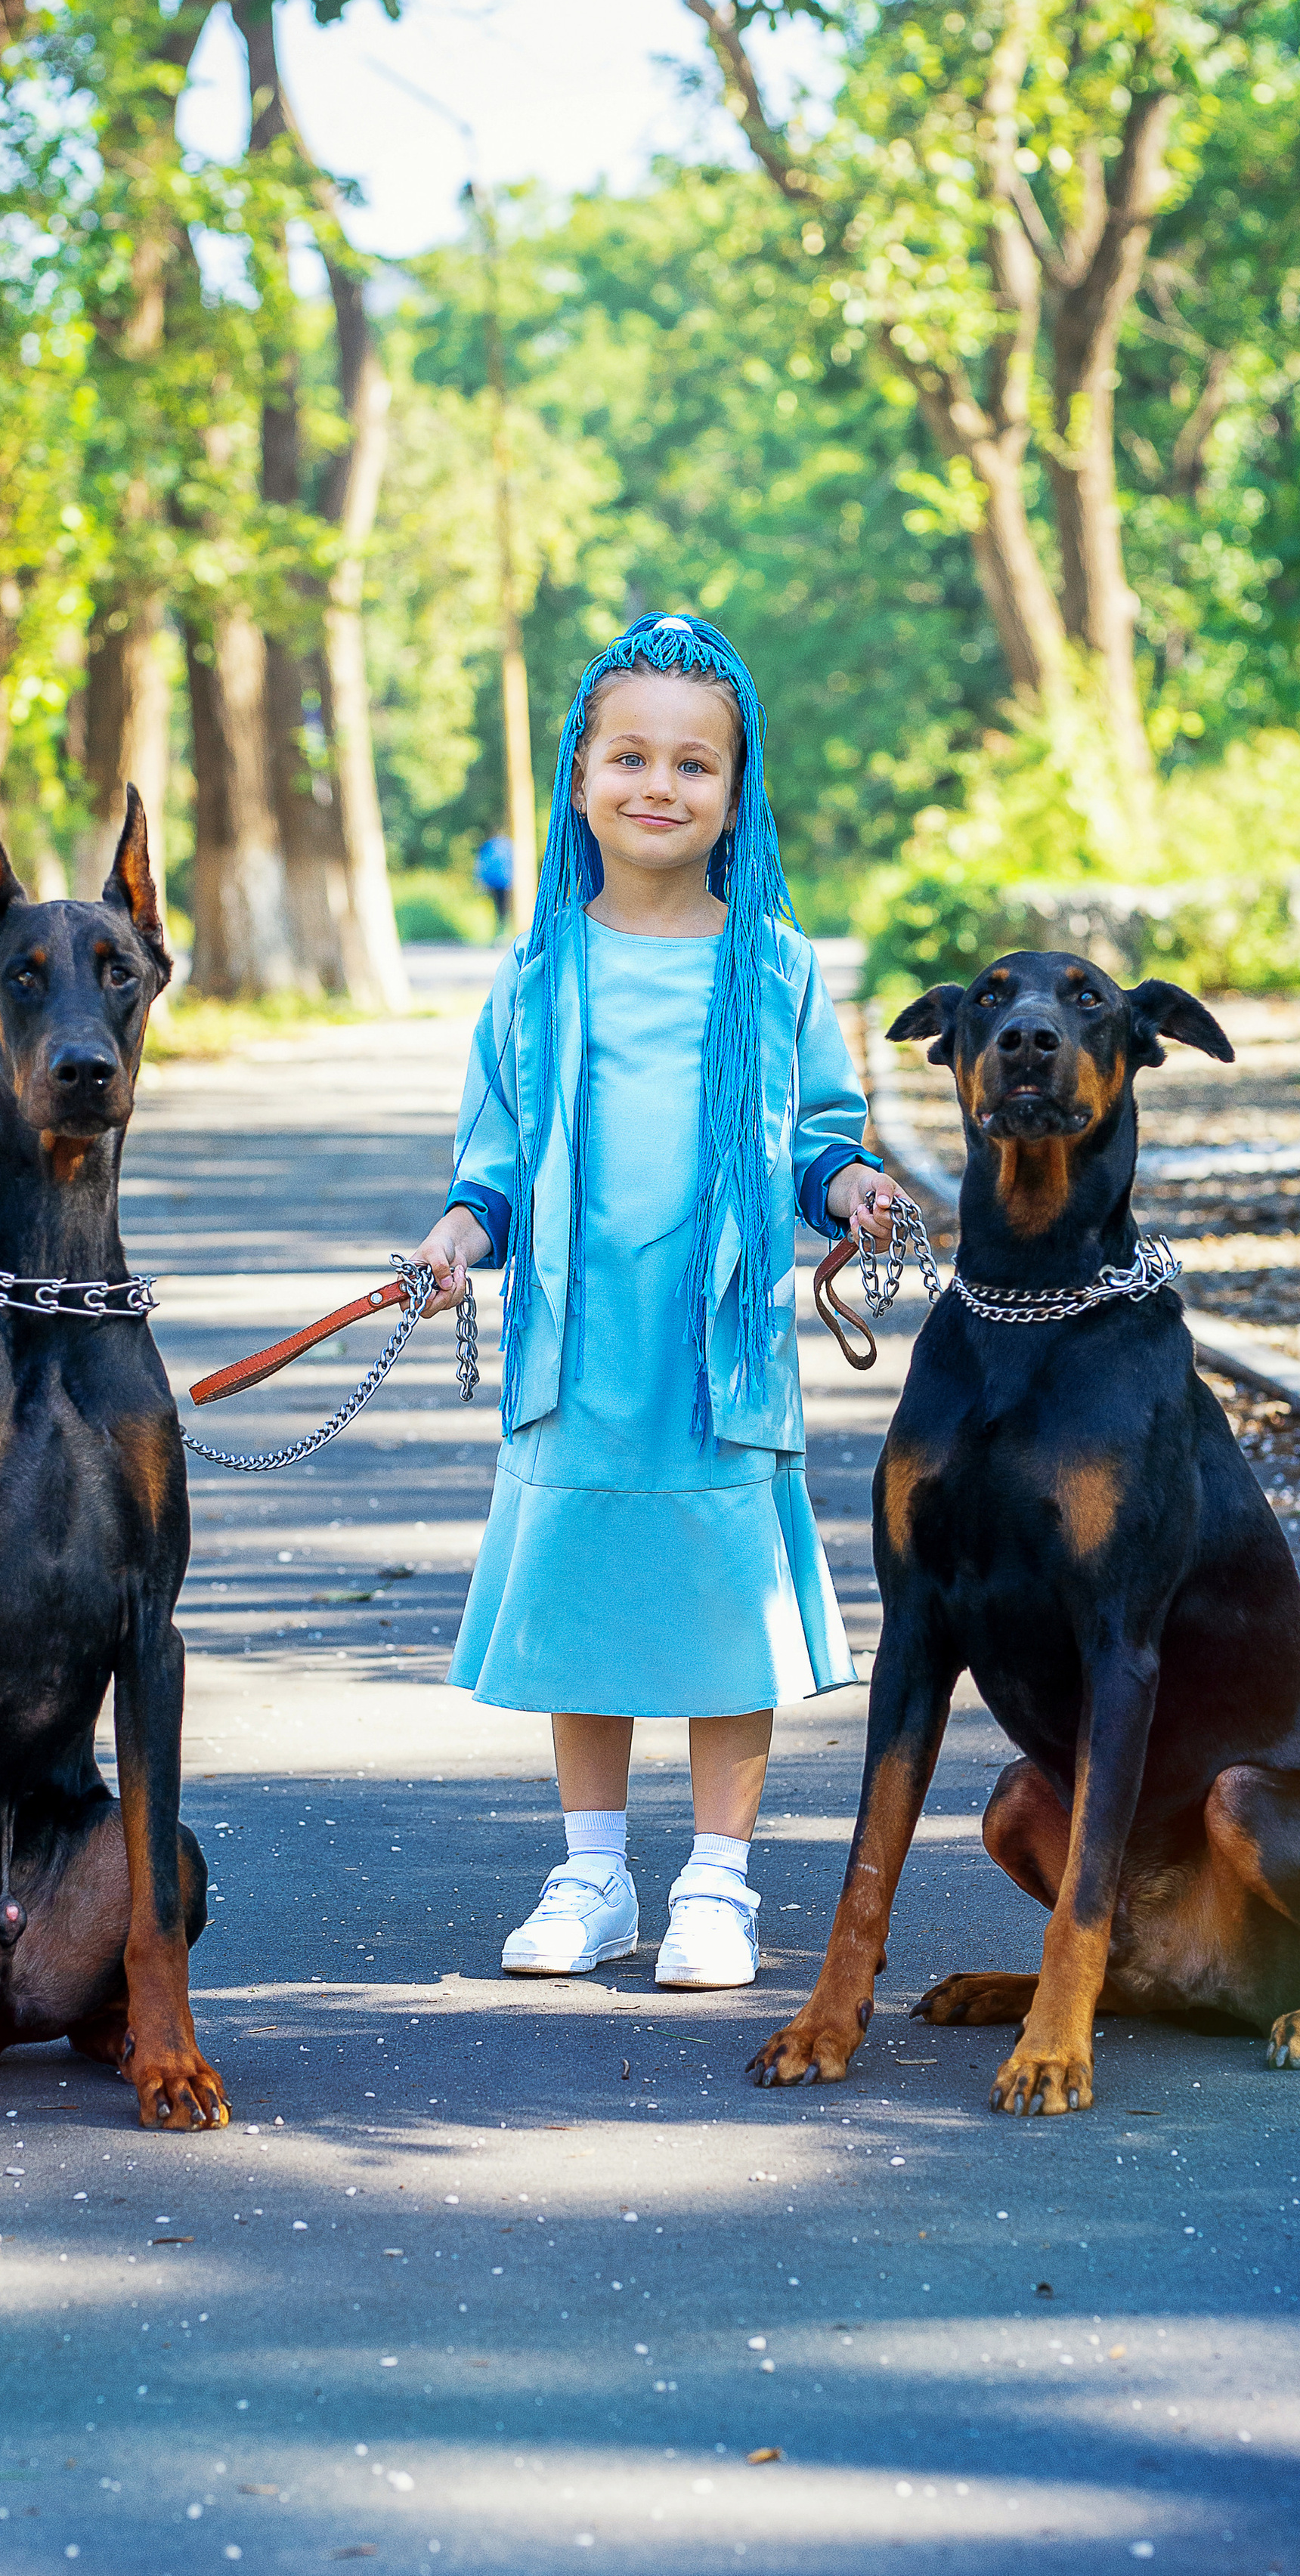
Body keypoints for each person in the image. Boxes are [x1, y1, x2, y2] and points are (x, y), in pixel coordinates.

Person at [410, 611, 897, 1990]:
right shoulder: (535, 973)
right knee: (586, 1603)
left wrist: (854, 1186)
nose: (659, 785)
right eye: (629, 756)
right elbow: (492, 1161)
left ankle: (719, 1882)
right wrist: (456, 1230)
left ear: (737, 795)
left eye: (695, 763)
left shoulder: (779, 969)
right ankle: (594, 1872)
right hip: (577, 1350)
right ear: (578, 777)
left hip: (723, 1354)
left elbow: (823, 1136)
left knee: (721, 1604)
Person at [474, 830, 514, 932]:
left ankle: (501, 929)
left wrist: (480, 880)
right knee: (504, 906)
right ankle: (503, 929)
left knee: (499, 906)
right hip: (505, 881)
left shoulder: (489, 846)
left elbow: (481, 863)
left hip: (494, 881)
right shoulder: (507, 845)